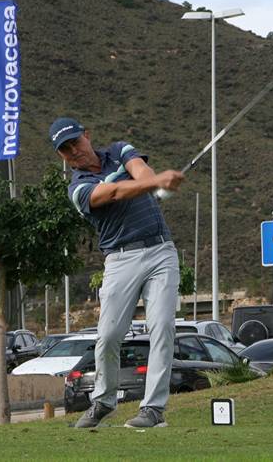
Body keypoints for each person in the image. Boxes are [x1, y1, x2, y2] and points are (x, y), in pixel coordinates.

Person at [48, 117, 184, 428]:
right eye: (65, 151)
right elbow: (112, 193)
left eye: (75, 143)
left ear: (87, 134)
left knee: (162, 328)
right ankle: (104, 402)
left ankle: (153, 410)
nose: (74, 152)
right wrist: (157, 182)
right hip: (120, 260)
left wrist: (155, 179)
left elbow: (141, 172)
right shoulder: (77, 188)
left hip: (161, 251)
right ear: (61, 156)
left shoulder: (120, 150)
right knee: (108, 336)